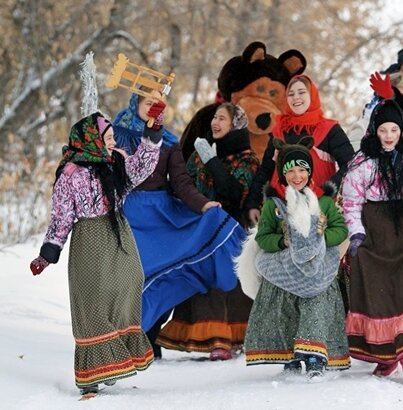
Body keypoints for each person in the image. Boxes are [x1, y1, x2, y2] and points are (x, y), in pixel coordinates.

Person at [29, 107, 165, 396]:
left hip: (118, 235)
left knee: (130, 283)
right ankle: (91, 378)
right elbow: (62, 216)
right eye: (109, 137)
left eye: (114, 137)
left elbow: (142, 168)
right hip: (89, 240)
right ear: (92, 139)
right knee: (92, 302)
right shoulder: (70, 173)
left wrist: (153, 131)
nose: (114, 143)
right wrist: (47, 254)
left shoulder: (114, 164)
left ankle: (115, 360)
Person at [112, 91, 244, 360]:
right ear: (136, 103)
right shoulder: (116, 134)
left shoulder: (169, 142)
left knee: (164, 272)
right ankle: (123, 338)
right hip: (129, 214)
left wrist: (203, 205)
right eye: (148, 102)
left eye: (158, 104)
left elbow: (182, 183)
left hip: (160, 214)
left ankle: (148, 338)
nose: (153, 108)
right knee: (134, 276)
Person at [341, 99, 403, 384]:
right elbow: (351, 202)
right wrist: (356, 233)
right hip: (373, 235)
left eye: (393, 129)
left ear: (401, 131)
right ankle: (387, 356)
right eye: (383, 129)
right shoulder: (363, 163)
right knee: (377, 295)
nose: (388, 136)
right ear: (374, 130)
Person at [156, 103, 259, 360]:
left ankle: (233, 338)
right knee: (203, 281)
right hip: (200, 230)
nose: (215, 122)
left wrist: (212, 161)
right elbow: (184, 187)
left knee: (228, 281)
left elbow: (234, 195)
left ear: (235, 124)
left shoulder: (248, 159)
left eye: (222, 119)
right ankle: (211, 339)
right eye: (214, 117)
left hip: (231, 230)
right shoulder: (199, 154)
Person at [242, 137, 350, 379]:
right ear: (282, 174)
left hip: (317, 268)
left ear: (310, 172)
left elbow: (340, 230)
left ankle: (315, 356)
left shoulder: (323, 202)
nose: (297, 176)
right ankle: (291, 354)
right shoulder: (274, 205)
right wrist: (282, 242)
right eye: (291, 171)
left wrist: (321, 238)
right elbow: (263, 236)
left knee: (315, 307)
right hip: (286, 269)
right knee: (287, 310)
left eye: (302, 169)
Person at [244, 74, 354, 226]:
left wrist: (326, 191)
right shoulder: (278, 131)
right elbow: (265, 171)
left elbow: (351, 165)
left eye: (301, 92)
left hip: (318, 212)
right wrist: (253, 204)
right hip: (281, 213)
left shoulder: (329, 129)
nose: (296, 97)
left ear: (312, 95)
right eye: (291, 94)